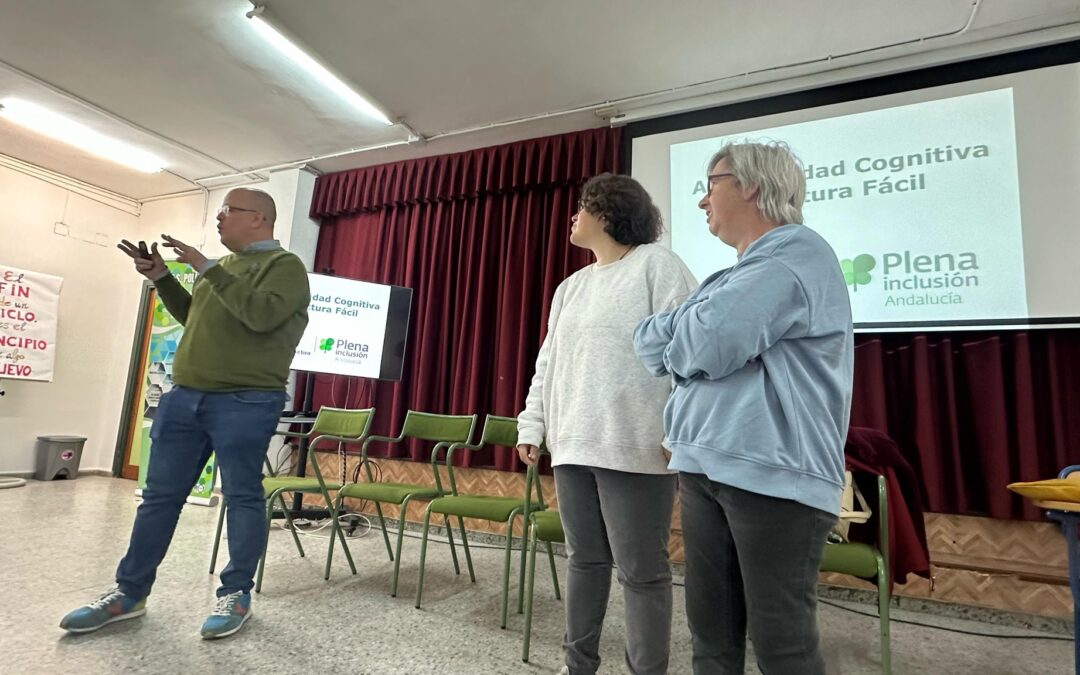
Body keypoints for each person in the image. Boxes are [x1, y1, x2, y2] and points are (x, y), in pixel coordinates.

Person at [634, 141, 853, 674]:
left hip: (772, 477)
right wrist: (690, 339)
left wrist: (685, 340)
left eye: (711, 185)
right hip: (706, 468)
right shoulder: (726, 277)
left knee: (782, 646)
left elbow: (707, 342)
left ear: (750, 185)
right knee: (711, 637)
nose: (702, 202)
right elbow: (646, 343)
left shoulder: (797, 252)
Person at [60, 188, 310, 640]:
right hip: (185, 397)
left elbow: (261, 316)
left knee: (242, 496)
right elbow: (195, 316)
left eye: (228, 211)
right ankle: (128, 594)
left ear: (259, 219)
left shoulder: (285, 268)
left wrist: (207, 268)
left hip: (246, 399)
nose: (219, 219)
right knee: (158, 499)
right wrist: (161, 277)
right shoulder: (224, 268)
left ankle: (236, 594)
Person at [516, 173, 696, 675]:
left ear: (608, 212)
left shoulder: (657, 266)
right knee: (585, 561)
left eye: (581, 206)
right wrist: (532, 424)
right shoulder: (570, 287)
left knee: (641, 573)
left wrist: (677, 430)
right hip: (573, 444)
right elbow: (548, 362)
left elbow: (690, 352)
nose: (573, 216)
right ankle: (579, 666)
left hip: (636, 446)